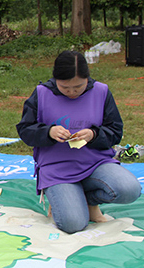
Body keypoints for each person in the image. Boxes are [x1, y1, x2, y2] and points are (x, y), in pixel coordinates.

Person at [16, 50, 140, 234]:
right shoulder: (42, 93)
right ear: (55, 79)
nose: (72, 92)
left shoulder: (101, 91)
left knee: (129, 189)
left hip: (95, 163)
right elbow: (25, 130)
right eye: (65, 87)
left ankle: (89, 201)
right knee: (73, 224)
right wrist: (49, 131)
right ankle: (63, 199)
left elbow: (115, 131)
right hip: (57, 168)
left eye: (78, 87)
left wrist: (93, 134)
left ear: (87, 79)